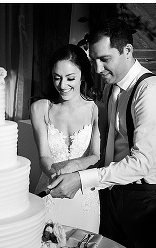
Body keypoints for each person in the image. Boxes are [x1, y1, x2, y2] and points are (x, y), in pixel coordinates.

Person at [47, 17, 156, 248]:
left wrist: (82, 180)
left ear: (127, 50)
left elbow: (141, 163)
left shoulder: (151, 91)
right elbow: (109, 145)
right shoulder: (111, 88)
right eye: (94, 60)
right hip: (113, 190)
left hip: (146, 198)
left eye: (105, 59)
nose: (97, 69)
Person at [31, 44, 103, 233]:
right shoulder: (40, 108)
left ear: (83, 75)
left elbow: (96, 155)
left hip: (84, 195)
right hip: (50, 190)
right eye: (57, 78)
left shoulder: (97, 109)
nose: (62, 85)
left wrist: (75, 166)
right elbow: (44, 156)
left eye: (70, 78)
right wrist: (53, 173)